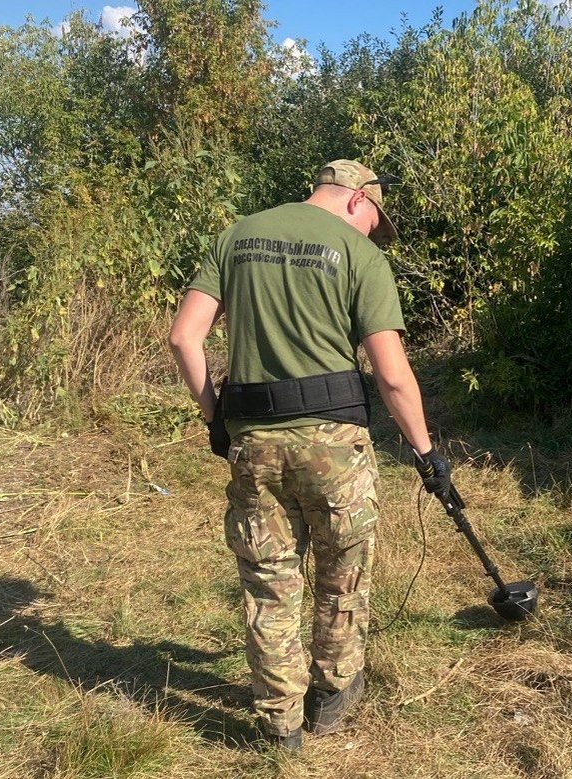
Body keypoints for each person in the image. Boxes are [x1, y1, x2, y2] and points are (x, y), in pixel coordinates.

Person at [168, 159, 451, 752]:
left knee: (269, 582)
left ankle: (279, 726)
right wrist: (428, 454)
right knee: (342, 575)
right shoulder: (359, 254)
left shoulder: (237, 235)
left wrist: (215, 419)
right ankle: (332, 695)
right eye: (375, 222)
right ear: (356, 201)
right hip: (335, 450)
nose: (374, 235)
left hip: (256, 445)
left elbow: (184, 337)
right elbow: (393, 377)